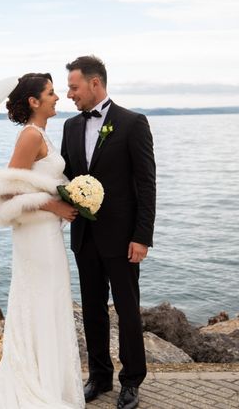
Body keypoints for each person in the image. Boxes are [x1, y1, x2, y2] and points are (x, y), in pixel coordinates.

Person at [60, 56, 156, 409]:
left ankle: (131, 381)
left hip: (123, 237)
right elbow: (67, 178)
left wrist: (142, 236)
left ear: (95, 83)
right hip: (84, 237)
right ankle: (99, 376)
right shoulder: (70, 127)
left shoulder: (132, 123)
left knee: (128, 311)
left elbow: (146, 185)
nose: (70, 94)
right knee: (92, 310)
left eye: (74, 87)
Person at [0, 73, 85, 409]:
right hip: (36, 235)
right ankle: (34, 387)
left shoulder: (41, 134)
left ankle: (49, 382)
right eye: (51, 92)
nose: (57, 97)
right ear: (34, 101)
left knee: (50, 301)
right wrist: (52, 204)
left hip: (46, 232)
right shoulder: (30, 136)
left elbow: (37, 182)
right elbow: (8, 191)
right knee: (41, 300)